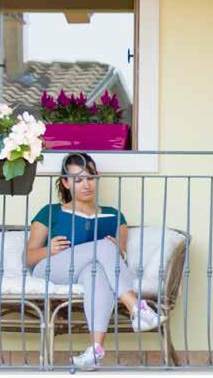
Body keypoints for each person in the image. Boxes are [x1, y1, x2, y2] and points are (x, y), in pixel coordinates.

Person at [25, 152, 165, 370]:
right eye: (78, 180)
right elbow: (29, 257)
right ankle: (137, 308)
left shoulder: (114, 216)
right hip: (52, 268)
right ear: (65, 182)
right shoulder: (49, 212)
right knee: (104, 249)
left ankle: (96, 350)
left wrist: (117, 249)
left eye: (90, 178)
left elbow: (119, 256)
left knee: (96, 272)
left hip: (86, 270)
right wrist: (49, 249)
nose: (86, 185)